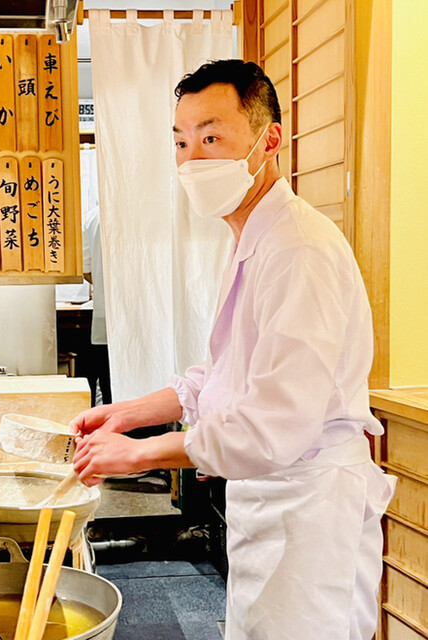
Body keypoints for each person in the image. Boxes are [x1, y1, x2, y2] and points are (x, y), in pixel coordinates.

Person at [70, 59, 396, 640]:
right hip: (270, 502)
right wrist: (127, 414)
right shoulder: (252, 236)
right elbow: (224, 375)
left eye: (212, 138)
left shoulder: (299, 250)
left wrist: (139, 455)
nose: (192, 160)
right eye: (181, 142)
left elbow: (273, 424)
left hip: (309, 510)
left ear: (268, 141)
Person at [82, 204, 112, 406]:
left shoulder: (92, 218)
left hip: (104, 313)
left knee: (108, 385)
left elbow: (86, 270)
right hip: (144, 319)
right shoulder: (145, 210)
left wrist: (103, 288)